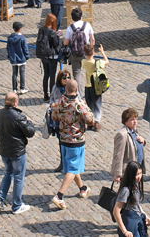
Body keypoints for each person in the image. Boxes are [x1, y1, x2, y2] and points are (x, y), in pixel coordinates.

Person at [50, 78, 94, 210]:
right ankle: (59, 195)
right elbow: (90, 120)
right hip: (76, 140)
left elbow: (54, 117)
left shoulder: (59, 102)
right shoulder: (79, 104)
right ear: (76, 90)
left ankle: (82, 188)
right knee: (73, 168)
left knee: (72, 165)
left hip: (63, 138)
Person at [0, 92, 35, 214]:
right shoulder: (19, 116)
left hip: (4, 150)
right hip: (17, 152)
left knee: (8, 173)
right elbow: (30, 132)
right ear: (15, 103)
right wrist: (29, 122)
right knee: (18, 177)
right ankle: (17, 205)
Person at [112, 161, 150, 237]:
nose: (139, 176)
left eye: (140, 173)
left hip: (138, 220)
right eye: (137, 174)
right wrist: (125, 231)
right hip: (130, 223)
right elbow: (116, 211)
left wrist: (145, 215)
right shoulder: (125, 191)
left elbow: (136, 204)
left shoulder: (136, 185)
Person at [63, 7, 95, 97]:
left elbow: (65, 42)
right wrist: (91, 50)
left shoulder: (70, 28)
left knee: (76, 75)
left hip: (75, 54)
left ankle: (79, 94)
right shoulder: (87, 25)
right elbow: (92, 39)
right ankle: (91, 92)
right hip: (86, 53)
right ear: (81, 16)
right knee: (90, 72)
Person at [111, 108, 146, 182]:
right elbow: (118, 155)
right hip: (128, 171)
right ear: (125, 121)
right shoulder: (122, 134)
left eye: (136, 119)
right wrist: (118, 174)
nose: (135, 122)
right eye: (132, 120)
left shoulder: (134, 131)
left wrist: (143, 141)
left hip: (137, 170)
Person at [82, 43, 111, 130]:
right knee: (97, 104)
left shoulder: (83, 62)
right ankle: (96, 122)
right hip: (96, 86)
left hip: (87, 86)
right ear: (93, 53)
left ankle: (90, 121)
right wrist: (102, 52)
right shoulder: (97, 63)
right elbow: (107, 61)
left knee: (89, 105)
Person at [36, 13, 60, 101]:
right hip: (51, 56)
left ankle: (45, 95)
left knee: (46, 75)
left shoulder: (41, 29)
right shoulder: (52, 32)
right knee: (52, 76)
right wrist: (57, 36)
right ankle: (52, 95)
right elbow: (55, 44)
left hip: (43, 56)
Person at [7, 21, 29, 94]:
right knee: (22, 73)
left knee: (14, 73)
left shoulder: (10, 38)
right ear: (20, 29)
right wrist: (27, 56)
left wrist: (9, 56)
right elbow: (25, 48)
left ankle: (14, 89)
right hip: (21, 58)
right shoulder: (22, 38)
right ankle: (22, 88)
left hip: (13, 58)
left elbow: (8, 48)